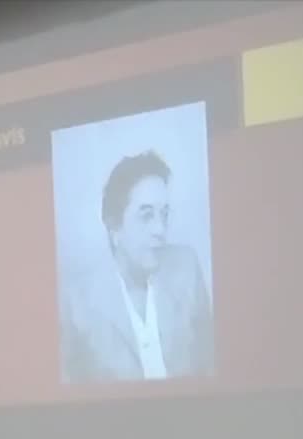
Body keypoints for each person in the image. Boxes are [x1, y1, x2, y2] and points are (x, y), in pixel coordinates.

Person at [60, 150, 214, 383]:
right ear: (114, 227)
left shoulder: (187, 267)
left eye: (164, 215)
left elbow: (211, 365)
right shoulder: (76, 302)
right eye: (146, 215)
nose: (160, 230)